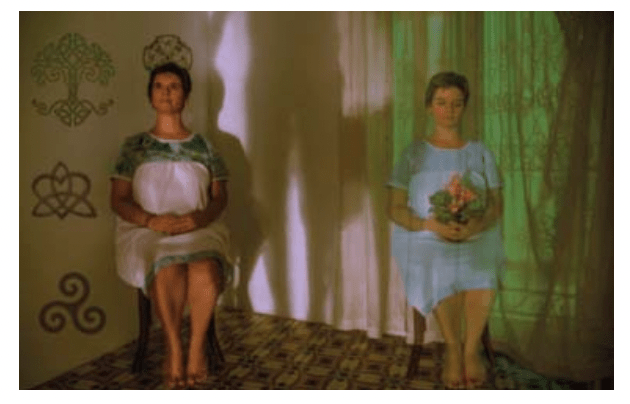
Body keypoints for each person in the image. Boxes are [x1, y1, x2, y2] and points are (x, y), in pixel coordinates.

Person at [110, 62, 232, 389]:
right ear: (150, 95)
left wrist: (198, 218)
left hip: (199, 227)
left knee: (205, 270)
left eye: (174, 86)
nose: (166, 93)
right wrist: (151, 220)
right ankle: (174, 350)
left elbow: (220, 198)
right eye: (159, 87)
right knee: (167, 267)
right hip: (147, 229)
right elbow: (118, 200)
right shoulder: (133, 147)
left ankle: (196, 349)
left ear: (186, 95)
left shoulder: (204, 146)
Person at [387, 72, 505, 389]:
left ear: (465, 107)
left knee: (483, 262)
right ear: (429, 107)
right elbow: (394, 208)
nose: (449, 110)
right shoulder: (413, 153)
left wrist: (476, 224)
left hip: (475, 232)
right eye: (441, 103)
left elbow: (496, 206)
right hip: (426, 234)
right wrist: (431, 224)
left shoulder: (480, 152)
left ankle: (470, 350)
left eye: (457, 103)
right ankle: (453, 348)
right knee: (438, 263)